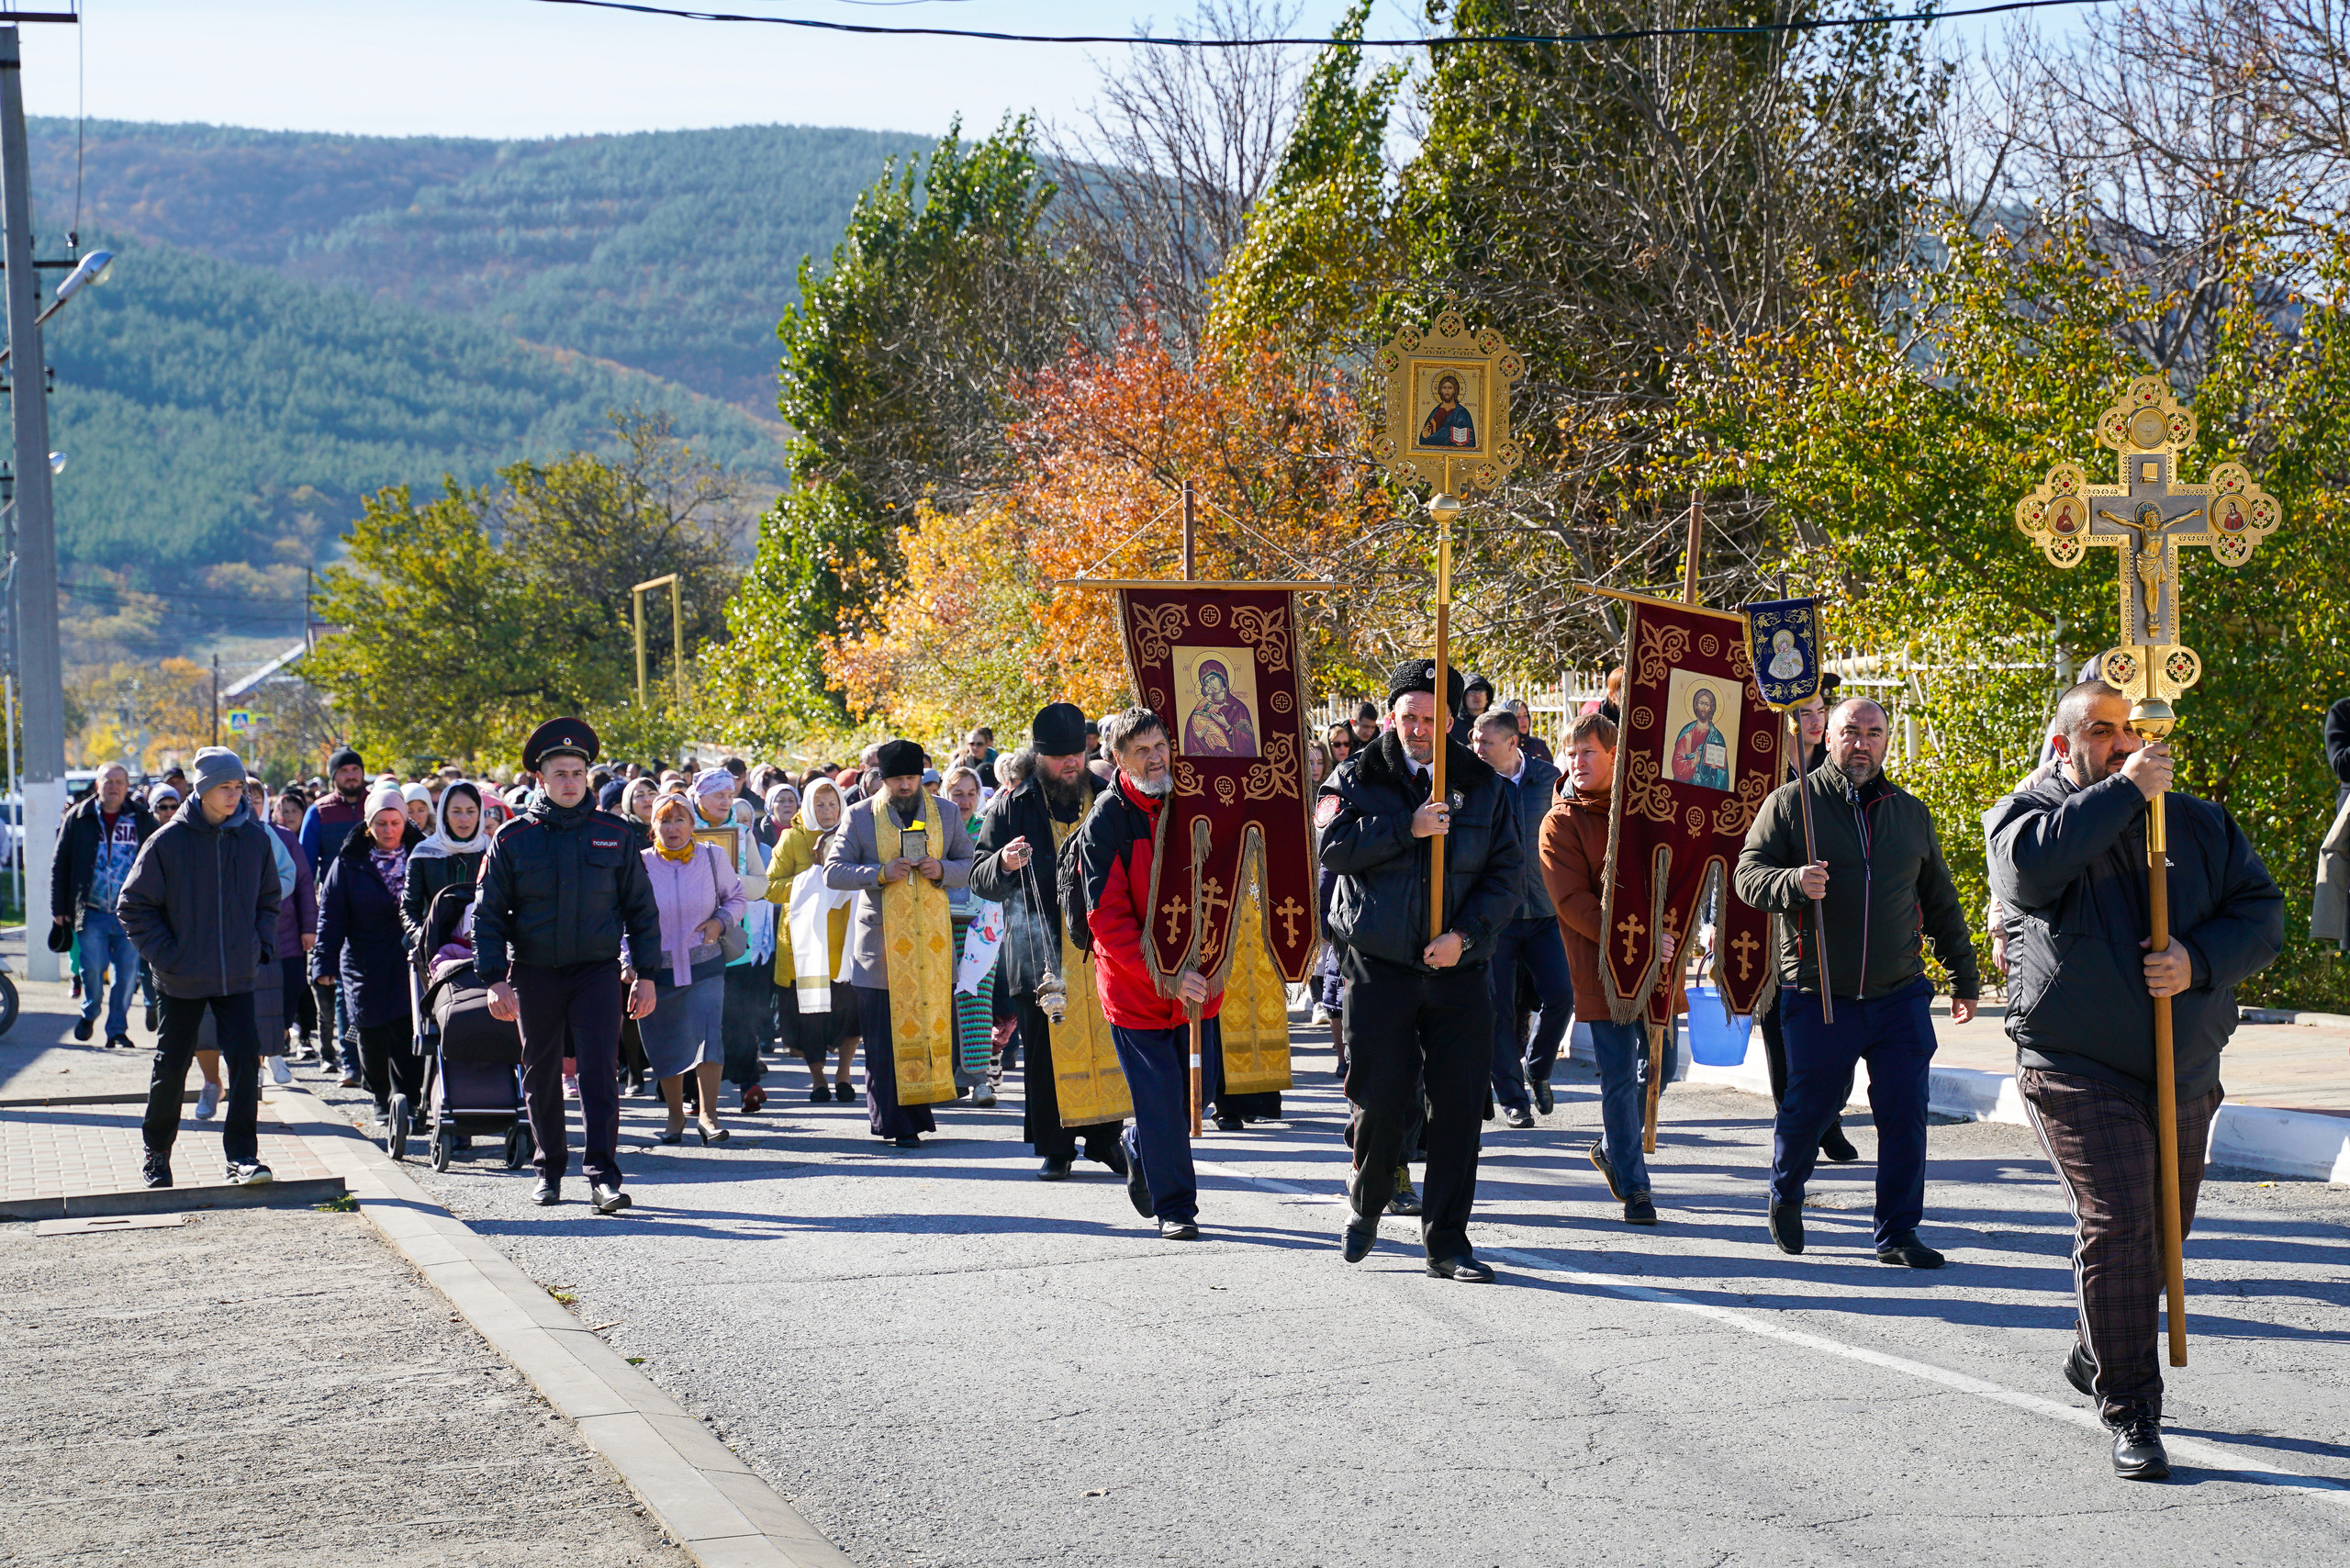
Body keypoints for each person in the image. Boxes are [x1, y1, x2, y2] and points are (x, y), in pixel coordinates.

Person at [1985, 678, 2282, 1480]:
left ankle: (2096, 1343)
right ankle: (2133, 1410)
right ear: (2064, 744)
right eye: (2106, 731)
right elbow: (2029, 876)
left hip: (2182, 1066)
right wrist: (2122, 793)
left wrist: (2197, 960)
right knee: (2119, 1225)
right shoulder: (2027, 818)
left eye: (2137, 730)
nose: (2126, 743)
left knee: (2163, 1237)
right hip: (2075, 1064)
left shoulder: (2198, 823)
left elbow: (2262, 914)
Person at [1736, 698, 1982, 1268]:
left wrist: (1963, 975)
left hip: (1899, 993)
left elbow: (1940, 901)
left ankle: (1897, 1234)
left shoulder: (1910, 814)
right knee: (1812, 1107)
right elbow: (1749, 875)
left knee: (1904, 1112)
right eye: (1851, 732)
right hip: (1821, 990)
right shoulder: (1792, 805)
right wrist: (1794, 881)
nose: (1862, 743)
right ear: (1829, 738)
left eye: (1874, 733)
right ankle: (1785, 1190)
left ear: (1887, 742)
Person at [1317, 658, 1524, 1282]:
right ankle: (1370, 1192)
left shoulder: (1483, 786)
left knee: (1459, 1106)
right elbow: (1331, 846)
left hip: (1458, 968)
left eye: (1431, 719)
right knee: (1383, 1100)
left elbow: (1506, 876)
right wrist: (1404, 827)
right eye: (1407, 716)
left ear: (1453, 722)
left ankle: (1448, 1242)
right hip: (1380, 966)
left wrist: (1464, 937)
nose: (1416, 729)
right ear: (1391, 715)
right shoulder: (1355, 775)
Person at [476, 718, 664, 1213]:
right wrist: (494, 979)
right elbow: (489, 914)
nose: (569, 782)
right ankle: (549, 1170)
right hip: (534, 972)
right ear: (541, 779)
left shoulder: (614, 834)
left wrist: (646, 974)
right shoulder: (514, 838)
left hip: (596, 972)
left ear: (588, 777)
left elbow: (642, 910)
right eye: (559, 773)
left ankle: (603, 1175)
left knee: (600, 1071)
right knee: (540, 1074)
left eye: (577, 773)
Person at [1072, 708, 1220, 1239]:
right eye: (1142, 750)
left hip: (1199, 988)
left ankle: (1138, 1145)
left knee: (1193, 1099)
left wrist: (1211, 960)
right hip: (1137, 991)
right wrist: (1166, 975)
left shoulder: (1195, 804)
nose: (1156, 758)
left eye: (1160, 746)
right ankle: (1177, 1208)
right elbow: (1107, 920)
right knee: (1161, 1105)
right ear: (1118, 759)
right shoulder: (1106, 822)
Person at [968, 702, 1128, 1180]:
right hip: (1038, 950)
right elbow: (979, 877)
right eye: (1060, 757)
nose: (1071, 764)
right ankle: (1055, 1149)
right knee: (1044, 1052)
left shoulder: (1108, 798)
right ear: (1039, 757)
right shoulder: (1011, 807)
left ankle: (1105, 1140)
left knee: (1108, 1042)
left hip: (1100, 944)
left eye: (1077, 753)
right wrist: (1004, 863)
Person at [1539, 712, 1680, 1225]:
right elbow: (1572, 901)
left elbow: (1675, 871)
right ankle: (1637, 1186)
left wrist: (1673, 932)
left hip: (1659, 967)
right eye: (1571, 753)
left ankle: (1609, 1144)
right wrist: (1638, 941)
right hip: (1602, 968)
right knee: (1620, 1076)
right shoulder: (1560, 821)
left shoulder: (1647, 809)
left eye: (1589, 752)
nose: (1577, 762)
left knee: (1660, 1069)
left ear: (1617, 756)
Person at [119, 747, 281, 1190]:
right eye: (225, 788)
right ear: (203, 789)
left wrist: (258, 946)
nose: (235, 795)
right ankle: (157, 1155)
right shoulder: (168, 841)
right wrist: (169, 956)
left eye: (238, 787)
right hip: (180, 979)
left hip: (237, 977)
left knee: (247, 1063)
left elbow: (270, 900)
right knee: (171, 1066)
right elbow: (133, 907)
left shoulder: (254, 839)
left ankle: (242, 1158)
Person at [824, 739, 973, 1148]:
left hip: (932, 946)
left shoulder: (944, 811)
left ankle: (918, 1115)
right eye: (897, 780)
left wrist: (941, 868)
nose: (905, 786)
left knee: (924, 1034)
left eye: (911, 778)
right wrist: (878, 872)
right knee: (883, 1041)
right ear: (882, 780)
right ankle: (893, 1122)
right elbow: (833, 872)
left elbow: (969, 864)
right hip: (881, 949)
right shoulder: (858, 816)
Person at [1753, 689, 1857, 1163]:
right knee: (1782, 1024)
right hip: (1773, 918)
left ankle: (1829, 1114)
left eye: (1821, 712)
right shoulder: (1763, 774)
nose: (1815, 722)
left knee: (1842, 1020)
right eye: (1804, 714)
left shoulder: (1841, 768)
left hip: (1835, 915)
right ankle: (1796, 1118)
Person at [1471, 710, 1573, 1128]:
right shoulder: (1472, 784)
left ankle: (1538, 1067)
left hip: (1546, 912)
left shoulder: (1550, 780)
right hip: (1496, 917)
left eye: (1486, 742)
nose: (1476, 749)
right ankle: (1513, 1098)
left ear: (1513, 743)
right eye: (1474, 740)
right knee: (1496, 1009)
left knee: (1562, 996)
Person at [315, 785, 425, 1135]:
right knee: (370, 1030)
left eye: (395, 822)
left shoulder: (423, 855)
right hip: (363, 958)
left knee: (409, 1031)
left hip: (408, 959)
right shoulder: (349, 863)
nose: (389, 830)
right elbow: (330, 916)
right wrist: (324, 963)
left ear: (405, 822)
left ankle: (411, 1099)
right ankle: (380, 1094)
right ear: (368, 826)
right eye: (381, 824)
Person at [638, 793, 746, 1145]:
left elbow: (738, 897)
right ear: (652, 826)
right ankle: (674, 1116)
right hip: (658, 971)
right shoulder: (639, 864)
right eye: (665, 821)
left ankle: (708, 1116)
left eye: (680, 819)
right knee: (667, 1041)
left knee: (708, 1036)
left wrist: (720, 922)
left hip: (705, 964)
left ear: (692, 824)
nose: (672, 828)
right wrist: (629, 962)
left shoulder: (713, 857)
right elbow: (623, 916)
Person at [52, 761, 159, 1051]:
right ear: (98, 785)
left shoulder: (141, 819)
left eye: (119, 782)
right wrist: (59, 907)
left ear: (127, 788)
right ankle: (90, 1011)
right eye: (107, 781)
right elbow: (60, 863)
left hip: (130, 914)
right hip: (92, 910)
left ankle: (117, 1032)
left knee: (126, 976)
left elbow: (160, 861)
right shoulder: (80, 817)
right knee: (92, 970)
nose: (113, 787)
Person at [767, 777, 859, 1102]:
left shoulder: (854, 834)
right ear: (807, 805)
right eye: (819, 804)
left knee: (851, 1014)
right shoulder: (793, 839)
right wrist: (810, 882)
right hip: (805, 946)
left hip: (848, 942)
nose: (827, 811)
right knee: (810, 1019)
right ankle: (818, 1078)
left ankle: (845, 1074)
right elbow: (771, 887)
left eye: (833, 803)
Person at [690, 767, 775, 1114]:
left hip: (734, 942)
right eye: (717, 795)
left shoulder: (742, 833)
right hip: (691, 942)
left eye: (729, 794)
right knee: (696, 1019)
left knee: (738, 1016)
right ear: (699, 798)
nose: (726, 801)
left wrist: (727, 881)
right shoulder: (681, 828)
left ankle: (747, 1084)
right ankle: (694, 1094)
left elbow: (761, 885)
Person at [402, 779, 487, 943]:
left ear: (479, 814)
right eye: (456, 811)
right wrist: (423, 939)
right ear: (444, 815)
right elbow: (409, 908)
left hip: (481, 946)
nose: (464, 819)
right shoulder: (424, 854)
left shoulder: (491, 851)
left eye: (471, 811)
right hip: (433, 945)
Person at [1182, 660, 1259, 757]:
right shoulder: (1202, 708)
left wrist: (1226, 725)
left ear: (1222, 677)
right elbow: (1190, 735)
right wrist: (1196, 735)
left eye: (1213, 678)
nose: (1210, 684)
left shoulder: (1239, 708)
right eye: (1206, 682)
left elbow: (1248, 744)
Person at [1449, 673, 1495, 747]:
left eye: (1481, 691)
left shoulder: (1495, 724)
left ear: (1487, 698)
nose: (1477, 696)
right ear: (1463, 697)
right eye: (1472, 692)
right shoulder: (1451, 726)